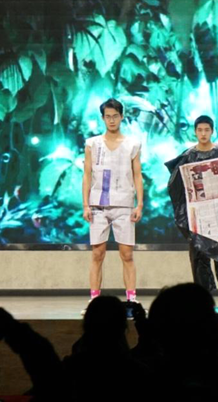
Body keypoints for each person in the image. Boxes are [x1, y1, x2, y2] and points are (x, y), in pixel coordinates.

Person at [165, 115, 218, 307]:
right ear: (195, 132)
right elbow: (177, 185)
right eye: (200, 130)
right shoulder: (188, 156)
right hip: (199, 213)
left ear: (212, 131)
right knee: (198, 252)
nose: (203, 133)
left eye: (206, 130)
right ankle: (203, 294)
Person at [82, 98, 143, 310]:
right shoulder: (92, 144)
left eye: (115, 116)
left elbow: (137, 175)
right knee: (97, 254)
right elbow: (87, 175)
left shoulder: (132, 144)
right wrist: (85, 205)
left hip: (124, 205)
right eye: (108, 116)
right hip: (98, 205)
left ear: (122, 117)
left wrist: (139, 204)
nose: (111, 120)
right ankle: (94, 300)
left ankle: (132, 300)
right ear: (102, 118)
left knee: (127, 254)